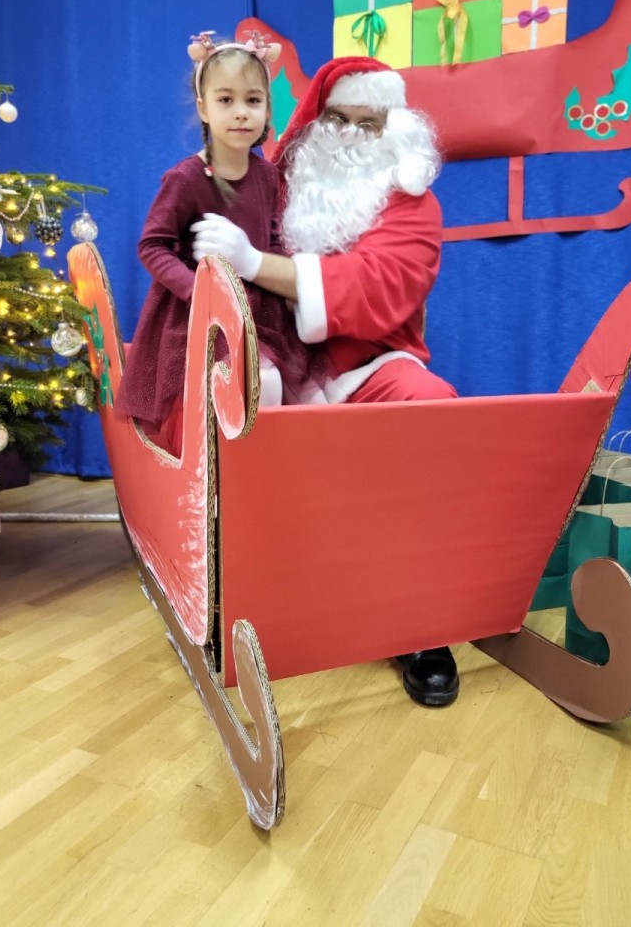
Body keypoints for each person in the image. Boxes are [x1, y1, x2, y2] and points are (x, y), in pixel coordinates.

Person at [191, 55, 461, 708]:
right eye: (339, 119)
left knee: (433, 410)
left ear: (393, 128)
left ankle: (420, 620)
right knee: (223, 398)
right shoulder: (275, 182)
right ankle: (232, 593)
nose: (351, 136)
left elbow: (379, 286)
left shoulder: (412, 201)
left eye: (370, 124)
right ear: (315, 121)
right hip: (274, 363)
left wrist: (256, 263)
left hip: (369, 366)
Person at [116, 31, 320, 452]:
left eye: (253, 100)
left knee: (279, 384)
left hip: (257, 313)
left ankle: (262, 467)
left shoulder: (267, 176)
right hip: (197, 317)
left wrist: (286, 280)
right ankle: (224, 467)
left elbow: (273, 237)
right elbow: (152, 246)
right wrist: (199, 292)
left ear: (267, 109)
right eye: (226, 100)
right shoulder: (186, 179)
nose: (241, 112)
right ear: (203, 109)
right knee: (248, 383)